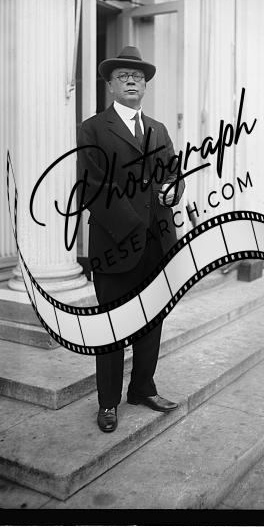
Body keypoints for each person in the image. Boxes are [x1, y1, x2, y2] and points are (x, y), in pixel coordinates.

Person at [77, 46, 185, 433]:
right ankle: (108, 402)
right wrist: (135, 226)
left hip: (157, 244)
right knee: (112, 327)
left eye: (138, 77)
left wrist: (173, 191)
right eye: (123, 76)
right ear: (109, 85)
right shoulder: (93, 129)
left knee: (151, 321)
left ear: (145, 86)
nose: (131, 81)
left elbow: (173, 174)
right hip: (115, 244)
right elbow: (92, 187)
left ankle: (142, 388)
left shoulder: (158, 129)